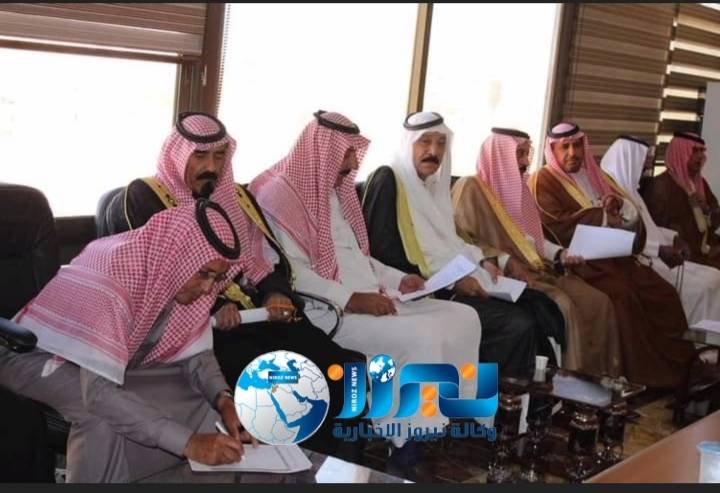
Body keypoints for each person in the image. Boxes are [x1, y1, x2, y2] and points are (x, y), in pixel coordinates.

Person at [103, 112, 364, 461]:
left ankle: (335, 466)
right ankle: (289, 467)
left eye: (219, 156)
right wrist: (212, 307)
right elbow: (155, 278)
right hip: (202, 329)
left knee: (345, 372)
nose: (211, 167)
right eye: (200, 156)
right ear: (179, 154)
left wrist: (275, 293)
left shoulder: (237, 197)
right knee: (285, 388)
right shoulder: (146, 196)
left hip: (258, 313)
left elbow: (266, 259)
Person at [250, 111, 482, 466]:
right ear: (323, 151)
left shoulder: (333, 192)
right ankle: (407, 442)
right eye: (346, 153)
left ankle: (450, 415)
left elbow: (357, 258)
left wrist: (397, 279)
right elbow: (291, 273)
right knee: (423, 337)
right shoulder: (279, 196)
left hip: (373, 297)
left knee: (464, 317)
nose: (352, 164)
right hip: (327, 310)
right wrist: (352, 299)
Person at [0, 201, 257, 482]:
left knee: (191, 391)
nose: (208, 288)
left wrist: (224, 400)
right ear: (178, 257)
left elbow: (196, 357)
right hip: (33, 356)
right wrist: (189, 443)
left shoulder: (175, 275)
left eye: (216, 278)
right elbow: (98, 395)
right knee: (100, 413)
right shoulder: (115, 280)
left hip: (109, 364)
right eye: (204, 274)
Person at [362, 112, 566, 376]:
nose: (434, 151)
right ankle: (497, 398)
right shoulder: (388, 180)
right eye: (425, 142)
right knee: (517, 323)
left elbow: (453, 239)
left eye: (441, 143)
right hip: (422, 290)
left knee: (540, 305)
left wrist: (483, 262)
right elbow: (382, 251)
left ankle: (535, 392)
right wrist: (451, 281)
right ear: (408, 143)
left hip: (458, 279)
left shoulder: (431, 186)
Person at [528, 122, 694, 387]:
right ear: (553, 150)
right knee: (622, 296)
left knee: (664, 293)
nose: (573, 153)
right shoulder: (543, 181)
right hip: (581, 264)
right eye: (565, 147)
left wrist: (620, 208)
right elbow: (554, 225)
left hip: (617, 260)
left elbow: (631, 214)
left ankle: (680, 372)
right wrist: (604, 215)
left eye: (577, 146)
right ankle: (641, 377)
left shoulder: (599, 177)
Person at [452, 127, 621, 376]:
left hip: (541, 269)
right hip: (505, 275)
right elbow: (463, 239)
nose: (524, 162)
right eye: (518, 154)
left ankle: (599, 378)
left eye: (526, 154)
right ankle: (567, 381)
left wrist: (559, 254)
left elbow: (532, 239)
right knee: (565, 307)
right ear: (500, 155)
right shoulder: (470, 188)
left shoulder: (520, 189)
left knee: (598, 303)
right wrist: (505, 260)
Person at [602, 135, 720, 326]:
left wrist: (675, 236)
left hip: (672, 250)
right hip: (646, 260)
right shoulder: (615, 196)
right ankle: (695, 336)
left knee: (714, 277)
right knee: (707, 284)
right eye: (642, 162)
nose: (647, 166)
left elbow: (652, 228)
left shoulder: (632, 192)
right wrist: (663, 248)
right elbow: (627, 239)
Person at [642, 132, 720, 270]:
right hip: (681, 256)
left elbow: (715, 218)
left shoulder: (700, 183)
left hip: (705, 248)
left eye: (702, 151)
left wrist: (707, 210)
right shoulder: (661, 186)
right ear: (680, 153)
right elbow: (655, 231)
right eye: (695, 151)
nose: (701, 156)